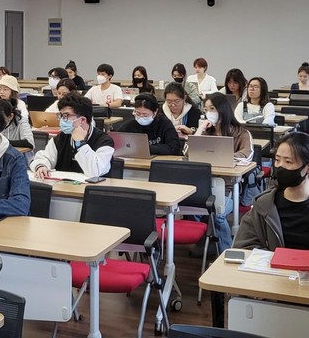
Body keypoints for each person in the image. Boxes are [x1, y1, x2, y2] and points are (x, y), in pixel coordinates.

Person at [195, 92, 254, 252]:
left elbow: (247, 155)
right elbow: (188, 152)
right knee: (193, 211)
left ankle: (225, 252)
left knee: (218, 215)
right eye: (206, 109)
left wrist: (222, 157)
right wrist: (200, 129)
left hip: (227, 188)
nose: (208, 113)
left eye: (212, 109)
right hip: (203, 185)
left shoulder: (241, 133)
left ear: (222, 109)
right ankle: (205, 245)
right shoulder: (207, 132)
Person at [234, 132, 309, 250]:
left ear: (307, 168)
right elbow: (243, 247)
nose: (280, 167)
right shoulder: (263, 206)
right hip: (273, 262)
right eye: (277, 160)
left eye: (288, 162)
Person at [31, 92, 114, 179]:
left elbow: (96, 171)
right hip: (63, 186)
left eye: (66, 116)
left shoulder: (104, 141)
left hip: (92, 187)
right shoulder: (61, 138)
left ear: (82, 120)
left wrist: (80, 143)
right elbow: (43, 158)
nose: (62, 120)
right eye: (61, 116)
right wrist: (41, 166)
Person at [118, 93, 182, 155]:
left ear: (155, 112)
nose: (141, 117)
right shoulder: (130, 125)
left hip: (159, 160)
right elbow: (116, 140)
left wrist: (149, 148)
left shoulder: (164, 124)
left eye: (145, 115)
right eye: (138, 114)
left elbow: (175, 148)